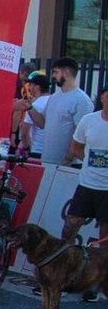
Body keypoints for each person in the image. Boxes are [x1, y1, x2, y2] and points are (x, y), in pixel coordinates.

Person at [64, 82, 108, 253]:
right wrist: (89, 159)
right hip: (87, 185)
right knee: (70, 226)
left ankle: (103, 274)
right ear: (103, 97)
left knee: (104, 235)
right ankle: (65, 263)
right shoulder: (88, 120)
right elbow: (76, 147)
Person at [29, 58, 93, 166]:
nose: (53, 76)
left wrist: (68, 158)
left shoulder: (81, 100)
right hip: (47, 160)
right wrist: (29, 108)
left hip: (68, 164)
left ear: (66, 72)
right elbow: (43, 124)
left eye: (55, 72)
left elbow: (82, 134)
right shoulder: (53, 97)